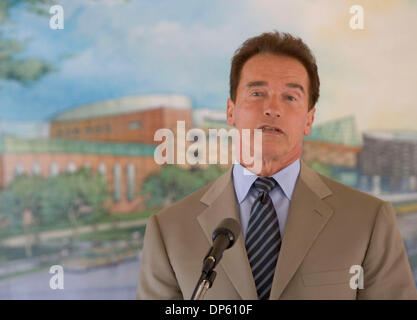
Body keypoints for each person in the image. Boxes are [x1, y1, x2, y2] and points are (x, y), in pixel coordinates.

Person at [136, 31, 417, 300]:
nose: (272, 108)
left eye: (290, 97)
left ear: (309, 119)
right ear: (230, 111)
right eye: (257, 93)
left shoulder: (369, 221)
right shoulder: (169, 230)